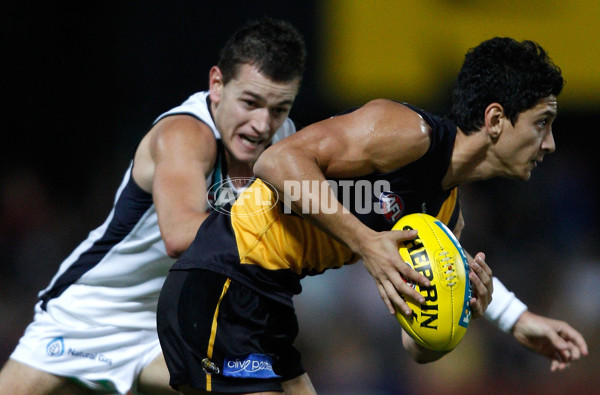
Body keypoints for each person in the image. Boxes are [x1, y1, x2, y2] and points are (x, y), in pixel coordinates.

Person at [156, 37, 588, 393]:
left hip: (266, 304)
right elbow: (276, 162)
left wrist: (461, 314)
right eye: (541, 123)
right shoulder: (406, 132)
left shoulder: (445, 213)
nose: (549, 143)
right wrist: (366, 242)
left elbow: (415, 346)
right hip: (223, 279)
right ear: (496, 119)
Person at [0, 17, 307, 395]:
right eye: (250, 102)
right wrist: (285, 238)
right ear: (217, 85)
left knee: (271, 386)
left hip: (172, 323)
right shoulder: (184, 135)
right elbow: (179, 236)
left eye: (279, 109)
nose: (262, 124)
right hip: (88, 313)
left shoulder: (283, 140)